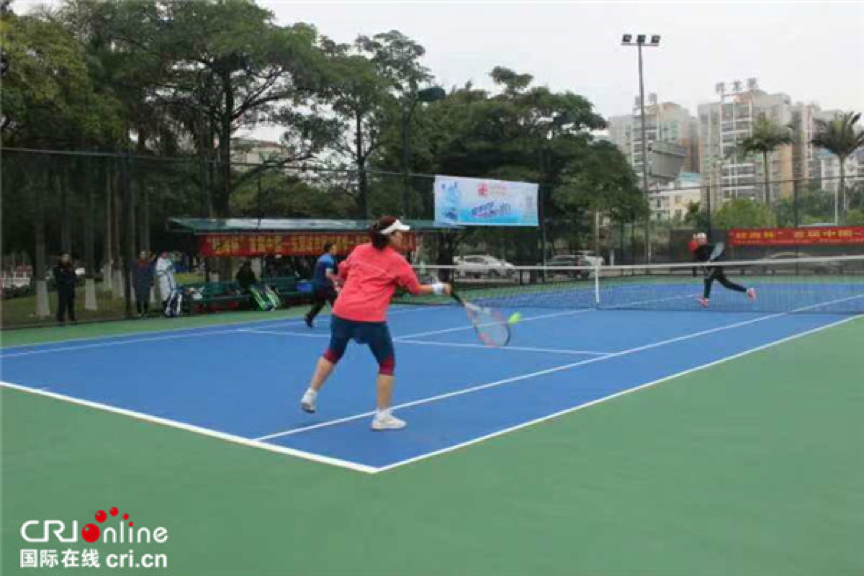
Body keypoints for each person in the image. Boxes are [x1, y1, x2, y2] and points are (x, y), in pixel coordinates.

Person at [299, 216, 451, 431]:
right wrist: (440, 288)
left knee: (333, 353)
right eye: (399, 232)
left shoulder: (360, 250)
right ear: (389, 236)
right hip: (369, 317)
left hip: (341, 311)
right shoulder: (398, 261)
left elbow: (343, 272)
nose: (402, 236)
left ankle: (310, 394)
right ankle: (382, 417)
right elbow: (415, 289)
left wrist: (347, 281)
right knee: (387, 364)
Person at [691, 232, 757, 308]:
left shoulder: (711, 246)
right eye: (699, 239)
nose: (700, 240)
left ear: (705, 239)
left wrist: (712, 260)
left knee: (707, 279)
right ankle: (748, 291)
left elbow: (721, 253)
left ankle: (705, 300)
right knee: (726, 284)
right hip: (710, 269)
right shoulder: (697, 250)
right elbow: (699, 258)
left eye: (702, 239)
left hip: (716, 267)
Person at [304, 242, 339, 328]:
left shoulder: (321, 259)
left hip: (316, 285)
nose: (336, 250)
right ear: (330, 250)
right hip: (325, 286)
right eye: (334, 249)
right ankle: (340, 323)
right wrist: (336, 282)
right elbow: (328, 274)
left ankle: (309, 317)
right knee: (337, 303)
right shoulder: (329, 260)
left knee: (319, 303)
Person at [52, 252, 77, 324]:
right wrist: (66, 282)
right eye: (65, 257)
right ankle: (60, 319)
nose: (66, 259)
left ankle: (72, 318)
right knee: (62, 304)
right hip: (62, 289)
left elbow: (74, 276)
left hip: (70, 289)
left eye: (67, 257)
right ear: (61, 258)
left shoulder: (70, 267)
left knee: (71, 304)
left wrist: (72, 281)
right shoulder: (57, 268)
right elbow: (58, 278)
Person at [132, 251, 154, 317]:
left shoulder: (148, 263)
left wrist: (152, 281)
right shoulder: (136, 263)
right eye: (141, 254)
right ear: (139, 255)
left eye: (144, 254)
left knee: (146, 298)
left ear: (145, 256)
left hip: (146, 283)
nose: (142, 256)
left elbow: (150, 273)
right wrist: (134, 282)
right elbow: (134, 273)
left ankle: (146, 312)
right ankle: (139, 312)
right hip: (138, 283)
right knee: (138, 298)